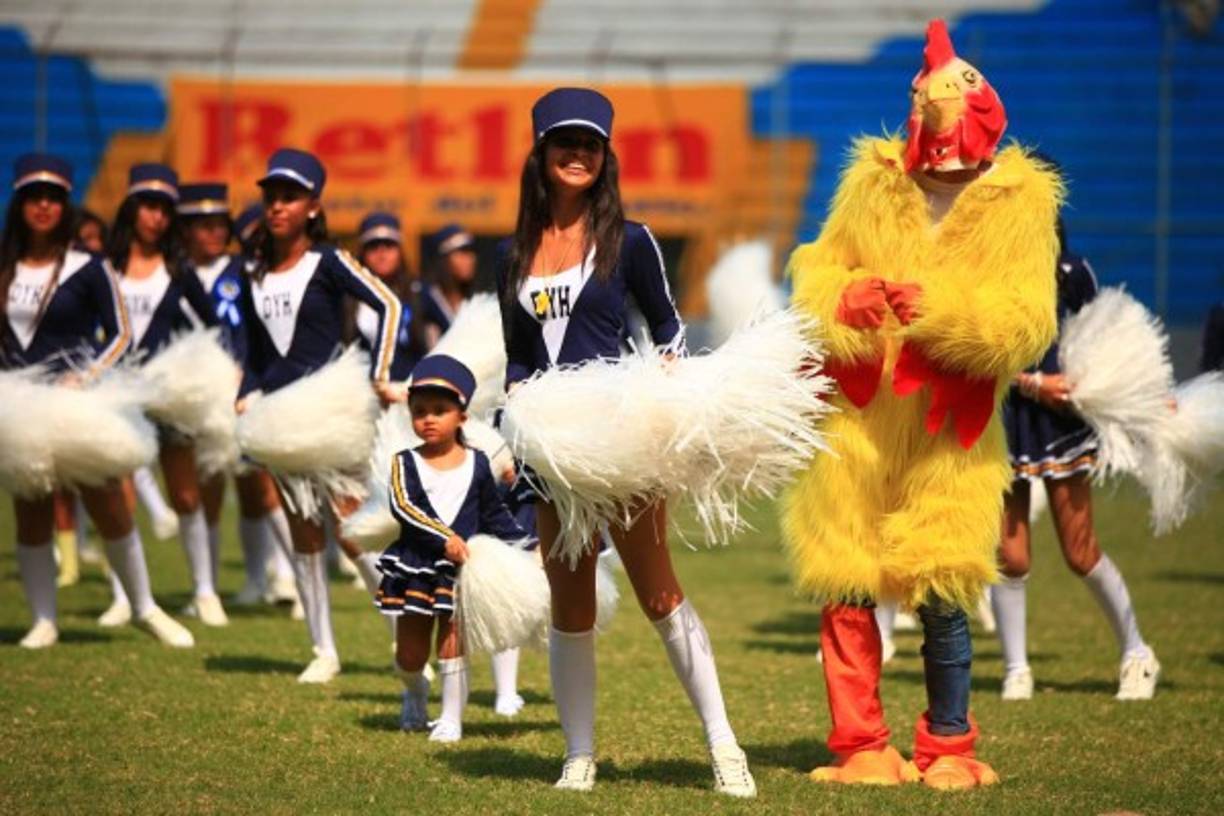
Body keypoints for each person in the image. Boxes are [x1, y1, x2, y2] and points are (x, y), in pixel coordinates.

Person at [783, 20, 1059, 789]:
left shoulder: (1020, 202)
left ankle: (948, 747)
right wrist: (844, 299)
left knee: (943, 588)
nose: (948, 170)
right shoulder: (873, 184)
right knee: (846, 584)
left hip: (950, 428)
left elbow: (1027, 320)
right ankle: (860, 745)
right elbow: (817, 271)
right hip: (860, 419)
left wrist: (940, 313)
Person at [497, 87, 755, 797]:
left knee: (659, 593)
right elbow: (518, 355)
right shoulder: (513, 254)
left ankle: (724, 745)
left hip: (618, 440)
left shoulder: (630, 240)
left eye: (590, 144)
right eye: (564, 143)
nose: (577, 154)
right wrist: (514, 411)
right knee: (570, 605)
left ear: (605, 158)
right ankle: (579, 754)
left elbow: (667, 326)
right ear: (541, 154)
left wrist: (665, 384)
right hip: (552, 456)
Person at [1, 153, 193, 648]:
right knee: (31, 510)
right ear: (19, 203)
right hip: (18, 405)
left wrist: (85, 376)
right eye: (33, 196)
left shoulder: (88, 266)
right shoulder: (4, 265)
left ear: (66, 205)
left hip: (77, 403)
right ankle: (44, 620)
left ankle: (144, 608)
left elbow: (122, 332)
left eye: (54, 197)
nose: (43, 205)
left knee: (108, 503)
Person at [238, 147, 402, 683]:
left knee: (352, 528)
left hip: (330, 413)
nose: (277, 206)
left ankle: (404, 632)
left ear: (313, 206)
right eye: (271, 196)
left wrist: (379, 372)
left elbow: (388, 303)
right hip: (280, 421)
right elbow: (253, 350)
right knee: (304, 535)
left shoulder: (328, 261)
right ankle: (323, 649)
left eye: (290, 197)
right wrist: (246, 391)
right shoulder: (252, 270)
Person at [993, 217, 1160, 701]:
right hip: (1006, 419)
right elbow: (980, 356)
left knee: (1080, 550)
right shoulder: (988, 274)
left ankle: (1137, 653)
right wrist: (1033, 383)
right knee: (1009, 555)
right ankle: (1016, 668)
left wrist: (1094, 386)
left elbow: (1103, 342)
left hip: (1060, 424)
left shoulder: (1070, 271)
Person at [378, 354, 531, 741]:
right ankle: (415, 691)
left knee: (453, 643)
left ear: (462, 416)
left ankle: (451, 719)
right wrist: (443, 537)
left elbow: (494, 513)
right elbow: (404, 507)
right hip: (416, 567)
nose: (428, 419)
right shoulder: (403, 463)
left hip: (463, 570)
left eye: (440, 411)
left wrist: (527, 547)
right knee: (410, 655)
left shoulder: (478, 463)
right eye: (420, 411)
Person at [106, 163, 228, 627]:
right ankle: (123, 595)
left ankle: (205, 591)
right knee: (118, 496)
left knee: (186, 494)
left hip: (167, 394)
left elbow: (213, 325)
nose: (156, 217)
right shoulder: (107, 267)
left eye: (164, 209)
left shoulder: (178, 269)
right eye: (148, 206)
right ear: (131, 208)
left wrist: (196, 365)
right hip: (118, 392)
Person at [178, 182, 296, 609]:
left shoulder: (245, 269)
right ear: (185, 229)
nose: (213, 232)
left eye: (219, 223)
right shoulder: (175, 274)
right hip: (196, 398)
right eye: (202, 224)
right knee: (205, 490)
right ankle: (211, 589)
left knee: (262, 488)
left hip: (245, 392)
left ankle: (290, 579)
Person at [349, 211, 428, 379]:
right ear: (362, 252)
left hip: (407, 388)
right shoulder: (348, 297)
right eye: (373, 246)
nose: (382, 253)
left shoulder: (419, 292)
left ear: (400, 250)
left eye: (389, 245)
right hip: (360, 388)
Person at [422, 223, 476, 347]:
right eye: (461, 253)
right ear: (443, 259)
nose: (469, 260)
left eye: (470, 253)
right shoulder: (425, 301)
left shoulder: (475, 302)